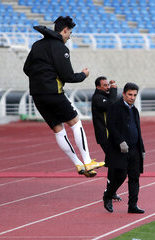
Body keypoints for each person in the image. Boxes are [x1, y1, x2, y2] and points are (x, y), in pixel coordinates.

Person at [23, 16, 104, 177]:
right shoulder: (60, 48)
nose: (69, 37)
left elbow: (26, 69)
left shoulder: (37, 45)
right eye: (70, 33)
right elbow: (68, 76)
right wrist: (84, 74)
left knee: (59, 130)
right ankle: (87, 161)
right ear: (65, 30)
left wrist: (40, 79)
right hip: (54, 93)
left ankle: (78, 164)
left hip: (37, 95)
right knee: (75, 123)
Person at [102, 82, 145, 214]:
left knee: (134, 177)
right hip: (119, 149)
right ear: (124, 94)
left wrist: (141, 148)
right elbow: (111, 125)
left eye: (134, 95)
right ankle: (108, 195)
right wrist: (120, 141)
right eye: (130, 94)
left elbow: (138, 130)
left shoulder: (135, 110)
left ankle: (132, 205)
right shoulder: (115, 107)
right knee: (120, 176)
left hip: (134, 149)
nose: (132, 97)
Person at [91, 76, 122, 201]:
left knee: (114, 163)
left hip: (111, 135)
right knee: (114, 163)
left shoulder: (105, 96)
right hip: (105, 136)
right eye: (105, 85)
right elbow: (111, 105)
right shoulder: (98, 98)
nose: (107, 87)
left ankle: (111, 190)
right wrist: (114, 90)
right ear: (98, 87)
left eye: (108, 85)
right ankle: (109, 191)